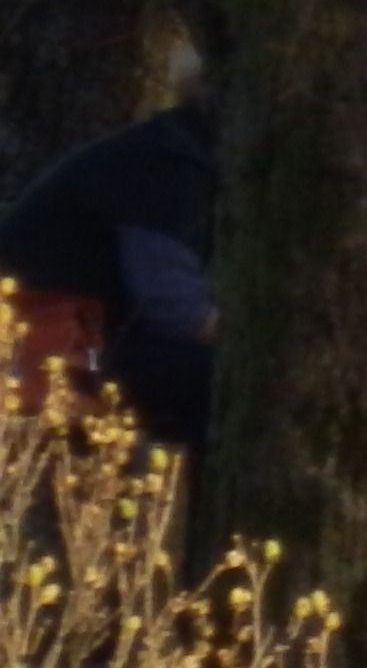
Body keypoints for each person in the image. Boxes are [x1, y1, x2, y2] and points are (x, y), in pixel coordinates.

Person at [0, 105, 216, 447]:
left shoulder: (166, 149)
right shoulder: (167, 164)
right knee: (225, 378)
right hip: (50, 362)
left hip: (75, 353)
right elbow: (179, 310)